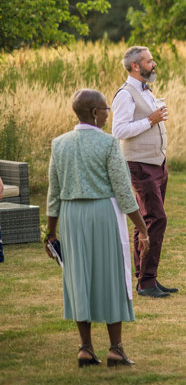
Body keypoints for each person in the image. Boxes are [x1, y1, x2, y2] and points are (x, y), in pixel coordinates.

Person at [45, 89, 150, 367]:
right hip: (103, 213)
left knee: (78, 277)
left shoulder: (59, 144)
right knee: (111, 276)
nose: (107, 113)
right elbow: (123, 192)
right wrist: (142, 228)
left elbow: (54, 193)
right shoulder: (109, 144)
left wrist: (50, 232)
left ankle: (85, 348)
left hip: (71, 216)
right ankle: (115, 348)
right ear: (94, 113)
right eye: (106, 109)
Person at [111, 46, 175, 298]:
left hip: (157, 164)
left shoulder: (146, 89)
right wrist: (151, 120)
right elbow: (119, 131)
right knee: (156, 219)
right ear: (135, 66)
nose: (154, 64)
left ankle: (147, 278)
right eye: (149, 61)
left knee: (146, 221)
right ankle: (147, 282)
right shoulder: (125, 95)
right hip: (140, 165)